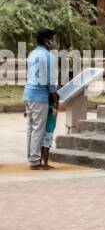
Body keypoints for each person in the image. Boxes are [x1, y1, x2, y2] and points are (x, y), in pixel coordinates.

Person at [23, 28, 59, 170]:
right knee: (38, 129)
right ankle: (35, 161)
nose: (54, 42)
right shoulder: (48, 55)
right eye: (52, 38)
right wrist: (54, 95)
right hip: (39, 95)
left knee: (30, 128)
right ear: (46, 40)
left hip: (28, 94)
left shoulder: (33, 53)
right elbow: (50, 79)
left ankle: (31, 158)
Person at [41, 92, 58, 168]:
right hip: (48, 131)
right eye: (57, 101)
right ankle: (45, 164)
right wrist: (55, 108)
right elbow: (54, 114)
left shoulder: (47, 107)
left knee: (43, 147)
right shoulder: (50, 108)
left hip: (46, 130)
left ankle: (41, 162)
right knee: (46, 148)